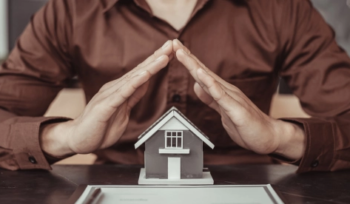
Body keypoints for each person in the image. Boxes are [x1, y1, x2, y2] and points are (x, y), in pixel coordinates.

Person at [0, 0, 350, 173]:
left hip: (250, 184)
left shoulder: (283, 8)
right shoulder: (69, 9)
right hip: (113, 183)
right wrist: (66, 138)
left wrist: (280, 137)